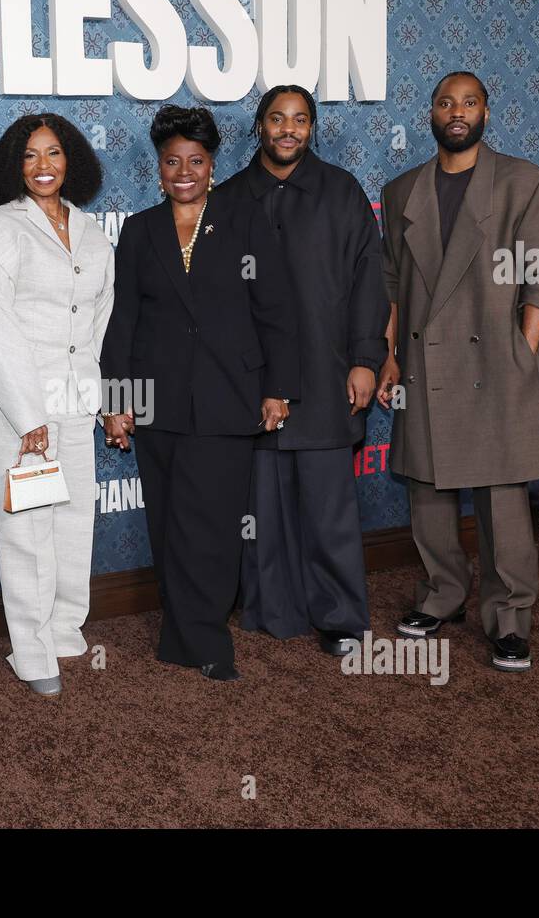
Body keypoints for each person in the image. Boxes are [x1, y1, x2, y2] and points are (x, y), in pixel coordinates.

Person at [376, 71, 539, 673]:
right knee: (427, 489)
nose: (456, 111)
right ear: (430, 113)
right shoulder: (403, 190)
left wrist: (522, 351)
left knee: (502, 500)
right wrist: (389, 354)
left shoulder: (524, 183)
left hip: (494, 361)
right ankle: (442, 596)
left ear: (486, 111)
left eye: (469, 102)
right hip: (423, 361)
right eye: (445, 102)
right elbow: (392, 284)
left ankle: (510, 620)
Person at [101, 105, 299, 682]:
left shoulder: (246, 220)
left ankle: (209, 638)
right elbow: (122, 324)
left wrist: (278, 389)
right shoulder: (139, 231)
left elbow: (277, 311)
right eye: (172, 162)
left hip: (228, 395)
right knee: (168, 523)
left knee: (213, 525)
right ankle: (181, 635)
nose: (183, 172)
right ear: (158, 169)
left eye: (196, 161)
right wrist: (117, 400)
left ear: (212, 165)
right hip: (157, 402)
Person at [221, 86, 388, 656]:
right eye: (276, 119)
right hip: (256, 384)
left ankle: (341, 617)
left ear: (312, 128)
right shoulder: (232, 197)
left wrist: (367, 360)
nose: (287, 129)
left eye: (299, 120)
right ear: (260, 126)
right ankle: (275, 610)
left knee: (328, 511)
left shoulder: (342, 192)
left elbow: (372, 281)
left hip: (327, 376)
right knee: (263, 510)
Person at [0, 114, 114, 697]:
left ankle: (64, 626)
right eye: (30, 156)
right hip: (17, 407)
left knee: (75, 520)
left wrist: (94, 395)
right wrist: (29, 419)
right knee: (27, 527)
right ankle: (30, 647)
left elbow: (100, 316)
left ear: (71, 158)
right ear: (13, 166)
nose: (44, 165)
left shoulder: (92, 231)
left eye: (53, 153)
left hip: (75, 400)